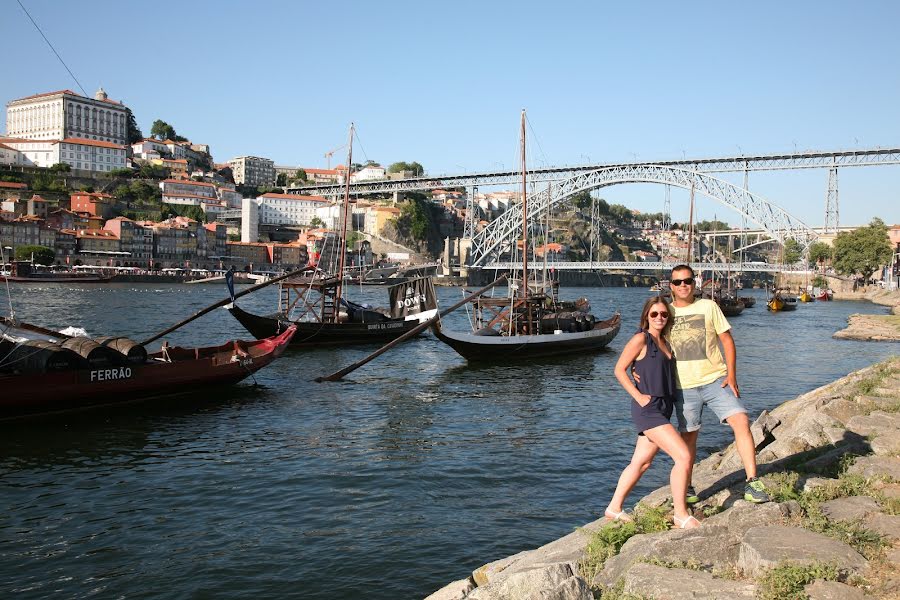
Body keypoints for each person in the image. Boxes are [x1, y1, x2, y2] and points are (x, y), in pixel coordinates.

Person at [667, 264, 769, 504]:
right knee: (689, 438)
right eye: (678, 282)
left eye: (688, 281)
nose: (684, 285)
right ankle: (688, 486)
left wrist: (732, 376)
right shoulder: (665, 312)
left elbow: (727, 340)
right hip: (683, 385)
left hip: (715, 380)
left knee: (741, 420)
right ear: (670, 286)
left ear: (695, 284)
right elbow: (649, 342)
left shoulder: (709, 306)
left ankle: (752, 482)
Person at [605, 296, 699, 529]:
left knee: (642, 462)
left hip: (664, 407)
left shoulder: (666, 342)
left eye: (664, 314)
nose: (659, 318)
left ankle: (613, 508)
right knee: (683, 456)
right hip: (648, 409)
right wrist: (638, 396)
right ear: (646, 315)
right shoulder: (641, 339)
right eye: (654, 314)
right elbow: (619, 370)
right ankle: (680, 514)